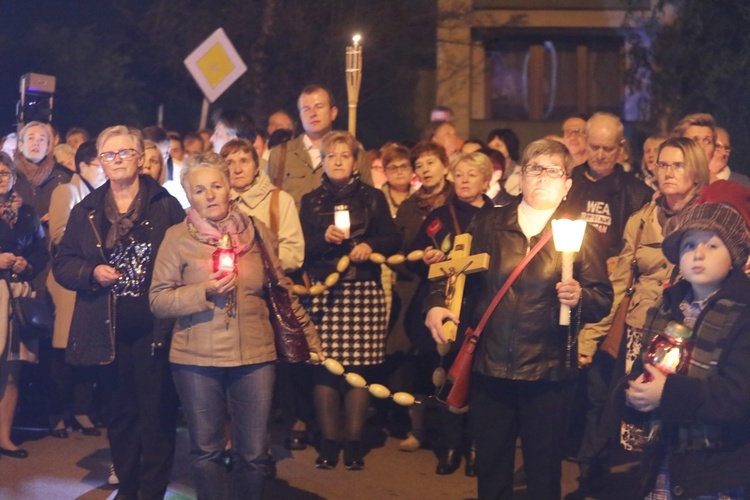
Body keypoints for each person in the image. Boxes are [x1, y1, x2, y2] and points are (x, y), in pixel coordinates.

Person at [425, 139, 613, 499]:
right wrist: (436, 305)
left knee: (543, 472)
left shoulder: (578, 233)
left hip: (549, 371)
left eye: (553, 171)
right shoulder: (490, 223)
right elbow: (453, 271)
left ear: (567, 184)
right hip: (490, 368)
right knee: (492, 470)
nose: (542, 178)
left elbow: (602, 298)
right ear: (520, 177)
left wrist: (580, 298)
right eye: (534, 169)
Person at [150, 152, 322, 500]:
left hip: (255, 357)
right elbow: (158, 300)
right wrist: (204, 290)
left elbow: (281, 290)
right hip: (196, 359)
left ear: (230, 188)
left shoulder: (259, 232)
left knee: (254, 455)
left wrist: (310, 337)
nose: (210, 195)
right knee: (206, 451)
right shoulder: (176, 238)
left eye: (216, 185)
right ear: (188, 195)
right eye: (200, 190)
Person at [569, 137, 711, 498]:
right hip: (641, 330)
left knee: (679, 422)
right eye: (662, 165)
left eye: (677, 165)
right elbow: (617, 287)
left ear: (695, 170)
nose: (668, 172)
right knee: (641, 425)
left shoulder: (711, 218)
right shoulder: (642, 219)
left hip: (690, 335)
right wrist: (589, 339)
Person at [53, 125, 185, 499]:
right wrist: (91, 272)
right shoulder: (88, 210)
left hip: (155, 327)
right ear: (101, 163)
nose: (117, 160)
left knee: (157, 413)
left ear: (141, 159)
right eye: (109, 155)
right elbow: (63, 263)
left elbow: (185, 258)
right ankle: (128, 487)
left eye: (125, 152)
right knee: (121, 414)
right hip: (107, 329)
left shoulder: (164, 204)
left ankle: (152, 490)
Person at [623, 196, 750, 499]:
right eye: (689, 245)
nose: (698, 254)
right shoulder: (665, 308)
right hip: (663, 460)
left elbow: (737, 395)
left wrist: (667, 393)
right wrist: (633, 395)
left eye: (712, 245)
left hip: (717, 470)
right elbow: (642, 369)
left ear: (733, 256)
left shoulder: (743, 313)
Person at [299, 131, 401, 470]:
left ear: (354, 160)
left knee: (361, 369)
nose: (338, 161)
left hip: (363, 289)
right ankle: (330, 442)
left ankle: (354, 443)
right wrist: (324, 240)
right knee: (325, 370)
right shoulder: (311, 201)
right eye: (331, 156)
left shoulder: (372, 197)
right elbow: (301, 252)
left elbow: (393, 238)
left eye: (344, 155)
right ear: (323, 162)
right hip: (325, 291)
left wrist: (370, 246)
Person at [404, 151, 494, 475]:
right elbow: (411, 255)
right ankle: (450, 446)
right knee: (444, 373)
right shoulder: (439, 215)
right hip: (446, 304)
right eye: (460, 174)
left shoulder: (497, 218)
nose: (465, 180)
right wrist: (424, 256)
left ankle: (473, 447)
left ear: (487, 181)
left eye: (473, 174)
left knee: (477, 377)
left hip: (480, 306)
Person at [46, 140, 109, 438]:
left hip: (92, 281)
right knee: (62, 350)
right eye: (99, 165)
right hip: (69, 281)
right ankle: (59, 412)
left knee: (85, 347)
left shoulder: (102, 196)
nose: (104, 171)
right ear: (82, 166)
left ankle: (82, 410)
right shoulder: (68, 191)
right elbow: (58, 234)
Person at [0, 151, 48, 459]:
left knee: (13, 369)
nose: (1, 179)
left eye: (5, 174)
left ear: (14, 178)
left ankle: (4, 436)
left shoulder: (27, 212)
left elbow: (42, 253)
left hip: (18, 295)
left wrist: (25, 264)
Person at [266, 85, 372, 208]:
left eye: (319, 107)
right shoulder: (281, 155)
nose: (313, 114)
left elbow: (369, 200)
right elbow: (266, 200)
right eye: (306, 109)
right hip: (293, 227)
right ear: (300, 116)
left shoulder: (354, 152)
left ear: (333, 112)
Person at [565, 112, 653, 259]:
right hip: (569, 267)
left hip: (614, 276)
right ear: (586, 141)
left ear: (621, 147)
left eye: (608, 149)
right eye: (594, 147)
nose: (600, 156)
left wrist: (622, 261)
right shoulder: (567, 182)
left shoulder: (638, 194)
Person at [221, 138, 304, 274]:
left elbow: (293, 253)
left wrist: (258, 262)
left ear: (256, 167)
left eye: (244, 161)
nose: (237, 170)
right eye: (229, 163)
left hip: (267, 285)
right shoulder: (216, 203)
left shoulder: (279, 200)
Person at [487, 128, 521, 196]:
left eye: (498, 146)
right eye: (490, 147)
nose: (493, 150)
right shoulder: (485, 173)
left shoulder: (521, 174)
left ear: (510, 147)